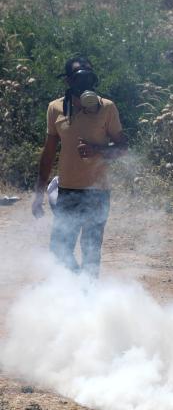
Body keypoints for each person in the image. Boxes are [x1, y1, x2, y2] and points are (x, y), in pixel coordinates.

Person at [31, 56, 128, 276]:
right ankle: (76, 289)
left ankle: (90, 302)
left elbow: (123, 148)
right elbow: (48, 153)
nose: (85, 82)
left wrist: (98, 150)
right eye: (78, 76)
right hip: (68, 191)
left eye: (88, 75)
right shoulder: (55, 108)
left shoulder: (107, 108)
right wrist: (38, 193)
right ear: (68, 81)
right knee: (59, 250)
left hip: (98, 192)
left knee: (91, 251)